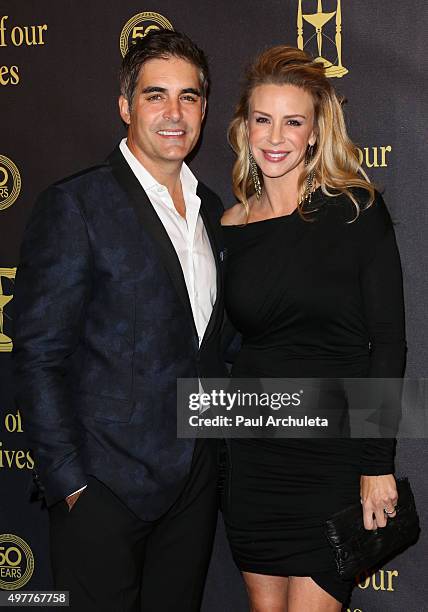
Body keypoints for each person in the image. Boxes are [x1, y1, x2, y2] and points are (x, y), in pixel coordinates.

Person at [13, 30, 227, 612]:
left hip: (193, 487)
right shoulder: (77, 205)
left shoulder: (217, 210)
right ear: (126, 106)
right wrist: (70, 483)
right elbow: (37, 352)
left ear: (204, 109)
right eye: (156, 96)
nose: (174, 113)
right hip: (103, 488)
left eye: (189, 97)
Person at [221, 46, 406, 611]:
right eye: (263, 119)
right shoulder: (230, 224)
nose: (276, 136)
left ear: (315, 131)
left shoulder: (356, 211)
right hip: (254, 455)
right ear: (244, 128)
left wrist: (378, 464)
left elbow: (389, 344)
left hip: (333, 458)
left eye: (293, 121)